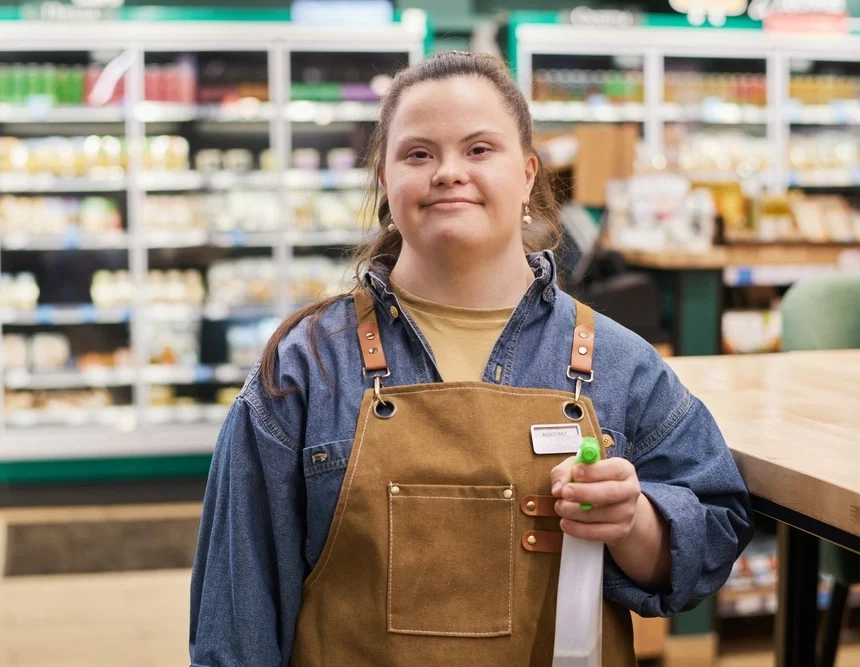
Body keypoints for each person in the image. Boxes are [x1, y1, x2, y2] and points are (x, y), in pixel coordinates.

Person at [189, 51, 753, 667]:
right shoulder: (303, 369)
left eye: (479, 150)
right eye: (418, 154)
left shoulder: (621, 366)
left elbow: (714, 537)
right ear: (385, 177)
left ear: (529, 174)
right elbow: (235, 618)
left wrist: (635, 522)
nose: (448, 172)